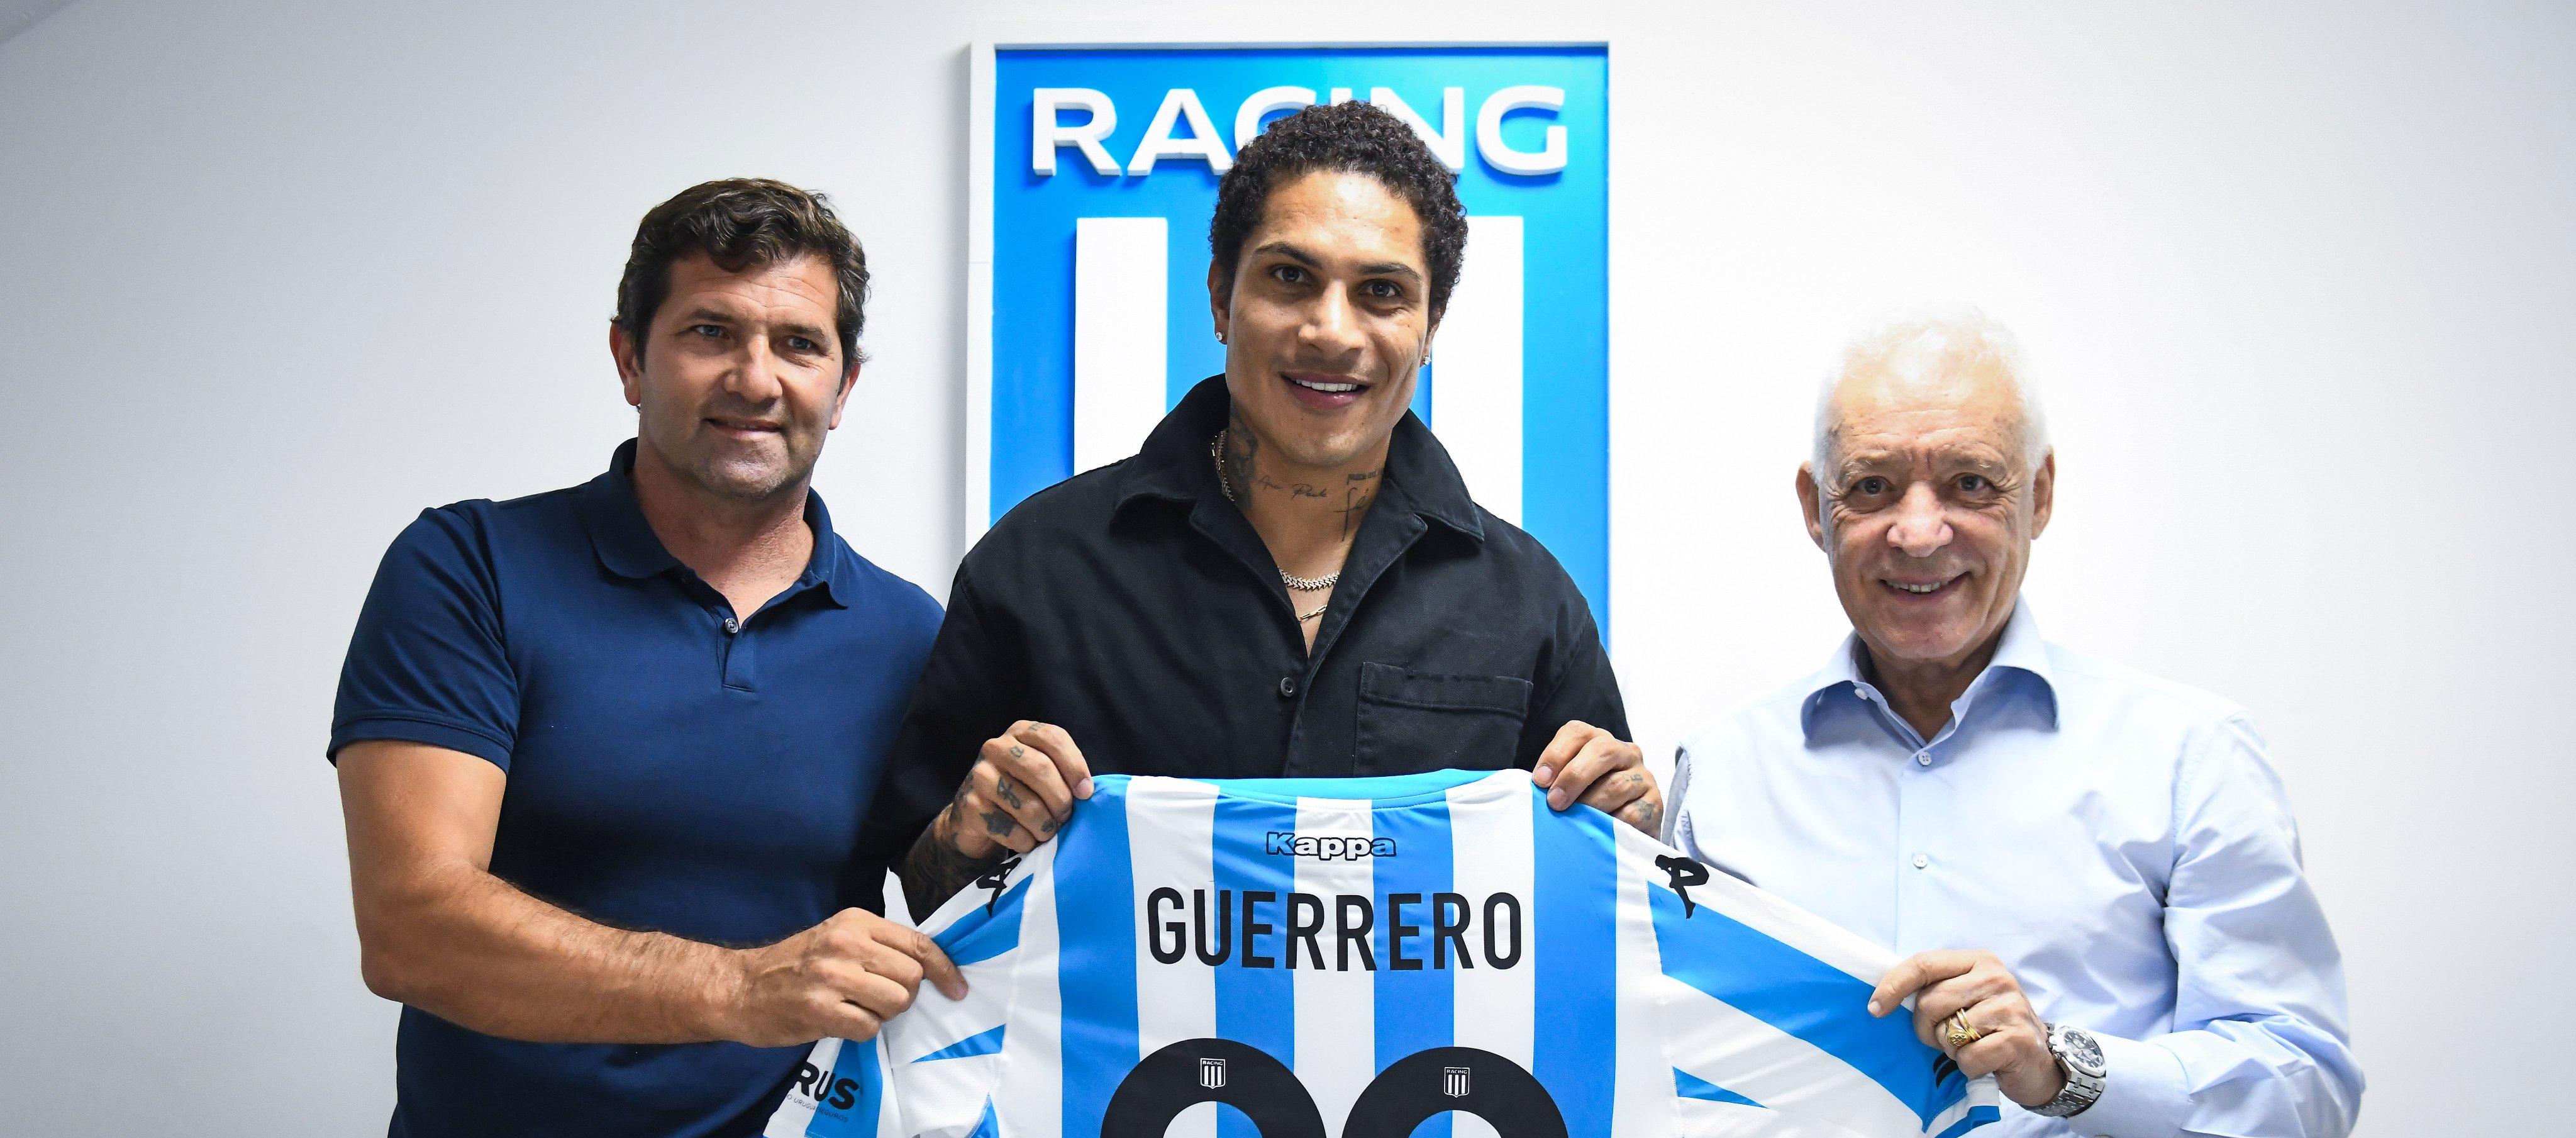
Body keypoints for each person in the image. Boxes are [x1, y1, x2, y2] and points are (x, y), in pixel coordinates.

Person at [862, 101, 1658, 919]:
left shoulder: (1528, 602)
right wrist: (966, 829)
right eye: (1290, 277)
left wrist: (1630, 836)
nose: (1330, 330)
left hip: (1429, 1054)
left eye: (1382, 292)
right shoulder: (1036, 568)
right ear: (1219, 296)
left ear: (1430, 329)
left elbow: (1602, 917)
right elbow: (918, 893)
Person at [329, 179, 961, 1138]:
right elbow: (411, 926)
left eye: (799, 343)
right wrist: (740, 986)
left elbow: (955, 923)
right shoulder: (469, 570)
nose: (756, 379)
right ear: (630, 359)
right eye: (710, 332)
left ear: (843, 390)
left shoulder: (910, 632)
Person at [1666, 308, 2363, 1135]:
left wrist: (2065, 1066)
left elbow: (2304, 1087)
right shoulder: (1721, 772)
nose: (1918, 533)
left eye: (1969, 482)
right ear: (1816, 509)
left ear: (2039, 495)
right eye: (1872, 486)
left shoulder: (2188, 757)